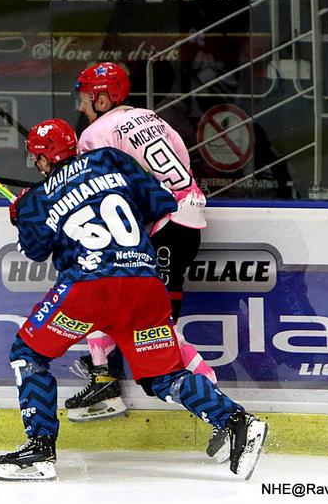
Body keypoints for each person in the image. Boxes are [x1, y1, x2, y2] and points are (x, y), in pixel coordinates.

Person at [0, 118, 267, 482]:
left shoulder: (37, 200)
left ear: (42, 160)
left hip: (89, 290)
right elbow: (161, 203)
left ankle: (40, 451)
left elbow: (35, 250)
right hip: (143, 281)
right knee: (163, 376)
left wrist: (20, 215)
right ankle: (237, 423)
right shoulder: (109, 158)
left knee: (28, 353)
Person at [69, 61, 230, 461]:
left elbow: (97, 193)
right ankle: (104, 377)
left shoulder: (94, 134)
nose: (83, 105)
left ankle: (221, 408)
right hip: (185, 223)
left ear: (103, 98)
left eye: (87, 97)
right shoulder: (154, 119)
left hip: (163, 229)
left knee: (153, 325)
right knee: (106, 292)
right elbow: (181, 172)